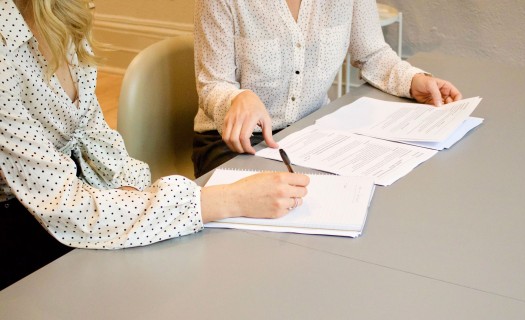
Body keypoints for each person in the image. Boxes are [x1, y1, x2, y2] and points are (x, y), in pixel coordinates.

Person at [0, 0, 309, 291]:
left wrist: (130, 188)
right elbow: (65, 206)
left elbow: (92, 134)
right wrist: (228, 200)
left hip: (71, 195)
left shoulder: (61, 13)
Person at [193, 0, 463, 177]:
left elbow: (372, 53)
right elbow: (213, 84)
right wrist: (237, 99)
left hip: (310, 134)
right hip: (234, 143)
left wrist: (413, 80)